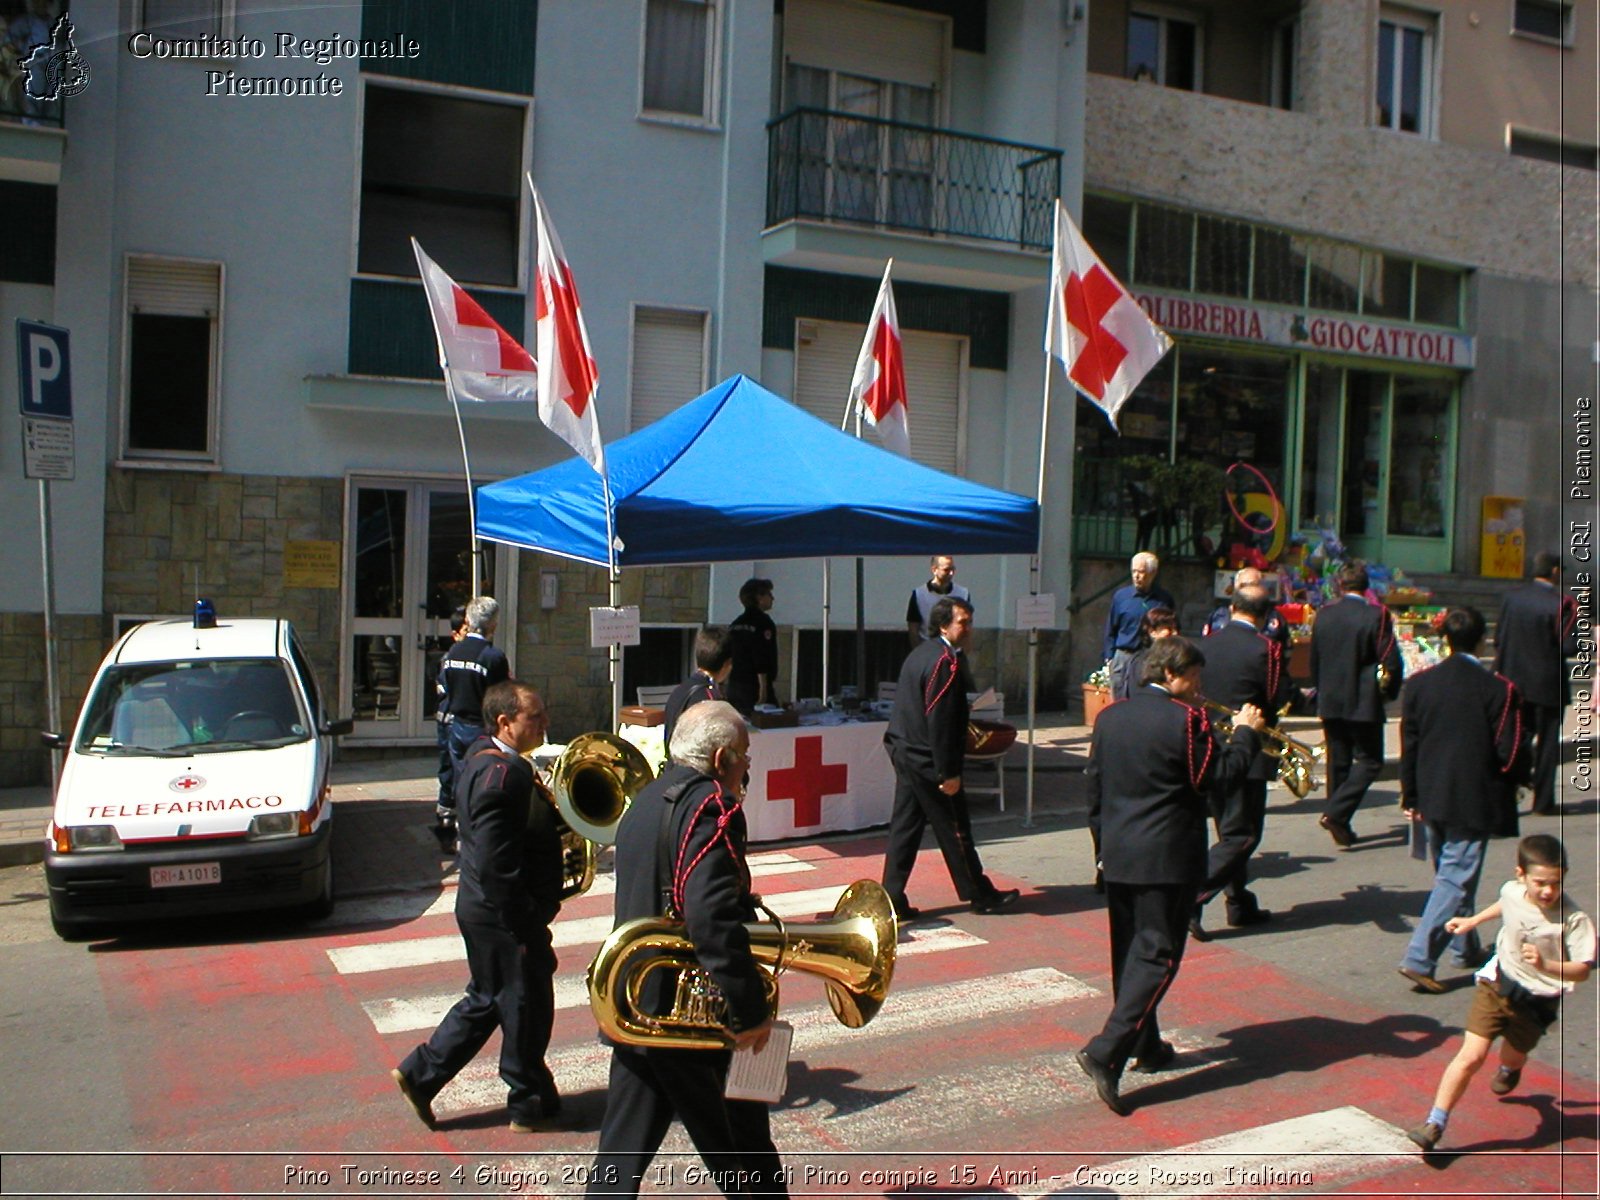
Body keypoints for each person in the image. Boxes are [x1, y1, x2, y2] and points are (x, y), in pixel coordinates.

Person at [588, 701, 788, 1200]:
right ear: (722, 758)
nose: (746, 766)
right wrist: (750, 1010)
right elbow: (711, 920)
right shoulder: (712, 808)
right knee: (745, 1152)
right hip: (692, 1019)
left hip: (639, 1007)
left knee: (619, 1156)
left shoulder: (648, 799)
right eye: (744, 755)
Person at [1078, 637, 1264, 1115]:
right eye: (1194, 681)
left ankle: (1148, 1043)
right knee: (1157, 957)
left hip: (1119, 853)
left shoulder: (1110, 716)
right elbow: (1217, 778)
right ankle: (1107, 1050)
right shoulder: (1187, 720)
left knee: (1129, 955)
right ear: (1169, 676)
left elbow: (1094, 790)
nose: (1200, 691)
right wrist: (1245, 734)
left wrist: (1102, 852)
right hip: (1167, 857)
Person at [392, 681, 564, 1132]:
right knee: (524, 1001)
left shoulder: (488, 758)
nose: (544, 722)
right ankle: (526, 1099)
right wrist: (525, 919)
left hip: (489, 909)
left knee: (494, 997)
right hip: (501, 913)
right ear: (505, 722)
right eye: (535, 716)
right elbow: (494, 864)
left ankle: (421, 1076)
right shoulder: (501, 777)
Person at [1405, 834, 1595, 1152]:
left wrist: (1547, 964)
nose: (1548, 891)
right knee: (1471, 1056)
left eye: (1556, 883)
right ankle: (1434, 1123)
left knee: (1512, 1054)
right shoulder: (1512, 890)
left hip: (1538, 1000)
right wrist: (1472, 921)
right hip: (1498, 984)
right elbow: (1505, 903)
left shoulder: (1573, 919)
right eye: (1540, 883)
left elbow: (1583, 969)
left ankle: (1511, 1068)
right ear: (1521, 875)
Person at [1397, 607, 1528, 993]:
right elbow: (1511, 748)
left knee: (1451, 874)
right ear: (1482, 641)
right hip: (1473, 795)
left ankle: (1464, 942)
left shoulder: (1421, 684)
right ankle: (1420, 957)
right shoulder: (1499, 689)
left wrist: (1411, 793)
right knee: (1456, 876)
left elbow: (1411, 745)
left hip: (1431, 791)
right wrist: (1513, 782)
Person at [880, 596, 1020, 920]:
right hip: (928, 759)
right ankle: (979, 893)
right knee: (956, 828)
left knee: (906, 827)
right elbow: (939, 720)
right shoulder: (945, 660)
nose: (969, 629)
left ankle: (890, 898)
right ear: (944, 624)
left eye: (970, 621)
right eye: (963, 622)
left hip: (906, 750)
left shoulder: (922, 654)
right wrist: (949, 772)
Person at [1191, 585, 1291, 941]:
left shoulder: (1203, 644)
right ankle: (1194, 896)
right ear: (1265, 617)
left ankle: (1239, 902)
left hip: (1209, 748)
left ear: (1231, 608)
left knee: (1226, 827)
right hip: (1248, 750)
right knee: (1243, 834)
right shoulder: (1268, 648)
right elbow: (1276, 699)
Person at [1310, 563, 1402, 848]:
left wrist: (1320, 688)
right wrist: (1388, 693)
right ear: (1366, 588)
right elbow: (1390, 659)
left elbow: (1314, 659)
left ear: (1339, 586)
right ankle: (1337, 813)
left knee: (1338, 761)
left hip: (1330, 697)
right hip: (1362, 698)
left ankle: (1340, 818)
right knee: (1370, 760)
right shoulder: (1376, 615)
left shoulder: (1324, 615)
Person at [1496, 553, 1579, 815]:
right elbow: (1568, 646)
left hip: (1514, 681)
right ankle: (1543, 802)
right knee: (1546, 746)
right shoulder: (1562, 604)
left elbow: (1500, 637)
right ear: (1554, 571)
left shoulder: (1511, 597)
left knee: (1516, 738)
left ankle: (1508, 792)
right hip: (1547, 684)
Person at [438, 596, 511, 845]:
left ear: (468, 621)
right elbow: (502, 697)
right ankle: (482, 836)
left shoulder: (452, 653)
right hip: (483, 729)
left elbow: (446, 686)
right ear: (493, 625)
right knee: (485, 786)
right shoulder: (493, 657)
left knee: (462, 782)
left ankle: (461, 832)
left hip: (457, 726)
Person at [1102, 552, 1177, 702]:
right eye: (1134, 571)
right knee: (1119, 701)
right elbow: (1111, 627)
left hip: (1149, 656)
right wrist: (1109, 657)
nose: (1136, 576)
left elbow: (1172, 630)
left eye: (1141, 572)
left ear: (1152, 573)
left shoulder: (1163, 599)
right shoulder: (1121, 597)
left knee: (1144, 699)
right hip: (1123, 656)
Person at [431, 605, 468, 851]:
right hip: (449, 723)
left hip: (465, 724)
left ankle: (461, 825)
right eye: (466, 630)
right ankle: (445, 820)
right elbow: (445, 689)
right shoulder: (449, 659)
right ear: (455, 634)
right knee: (449, 772)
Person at [663, 626, 733, 749]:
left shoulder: (680, 690)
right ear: (727, 664)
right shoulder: (711, 700)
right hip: (695, 765)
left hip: (673, 764)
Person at [1204, 566, 1291, 649]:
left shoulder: (1275, 618)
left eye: (1254, 585)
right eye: (1243, 585)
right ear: (1235, 587)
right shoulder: (1219, 615)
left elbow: (1285, 650)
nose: (1247, 589)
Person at [726, 578, 777, 716]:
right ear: (759, 597)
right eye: (769, 594)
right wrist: (763, 689)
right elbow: (761, 656)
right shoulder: (763, 622)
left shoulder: (735, 624)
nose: (772, 598)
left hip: (734, 684)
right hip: (753, 686)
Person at [906, 554, 971, 645]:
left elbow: (967, 624)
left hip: (955, 648)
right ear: (934, 570)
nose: (951, 573)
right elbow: (913, 626)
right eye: (946, 570)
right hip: (928, 646)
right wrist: (917, 650)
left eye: (953, 569)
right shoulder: (919, 594)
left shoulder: (963, 593)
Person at [1126, 605, 1179, 692]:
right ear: (1152, 632)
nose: (1175, 633)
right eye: (1169, 629)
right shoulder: (1142, 662)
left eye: (1175, 628)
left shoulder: (1175, 658)